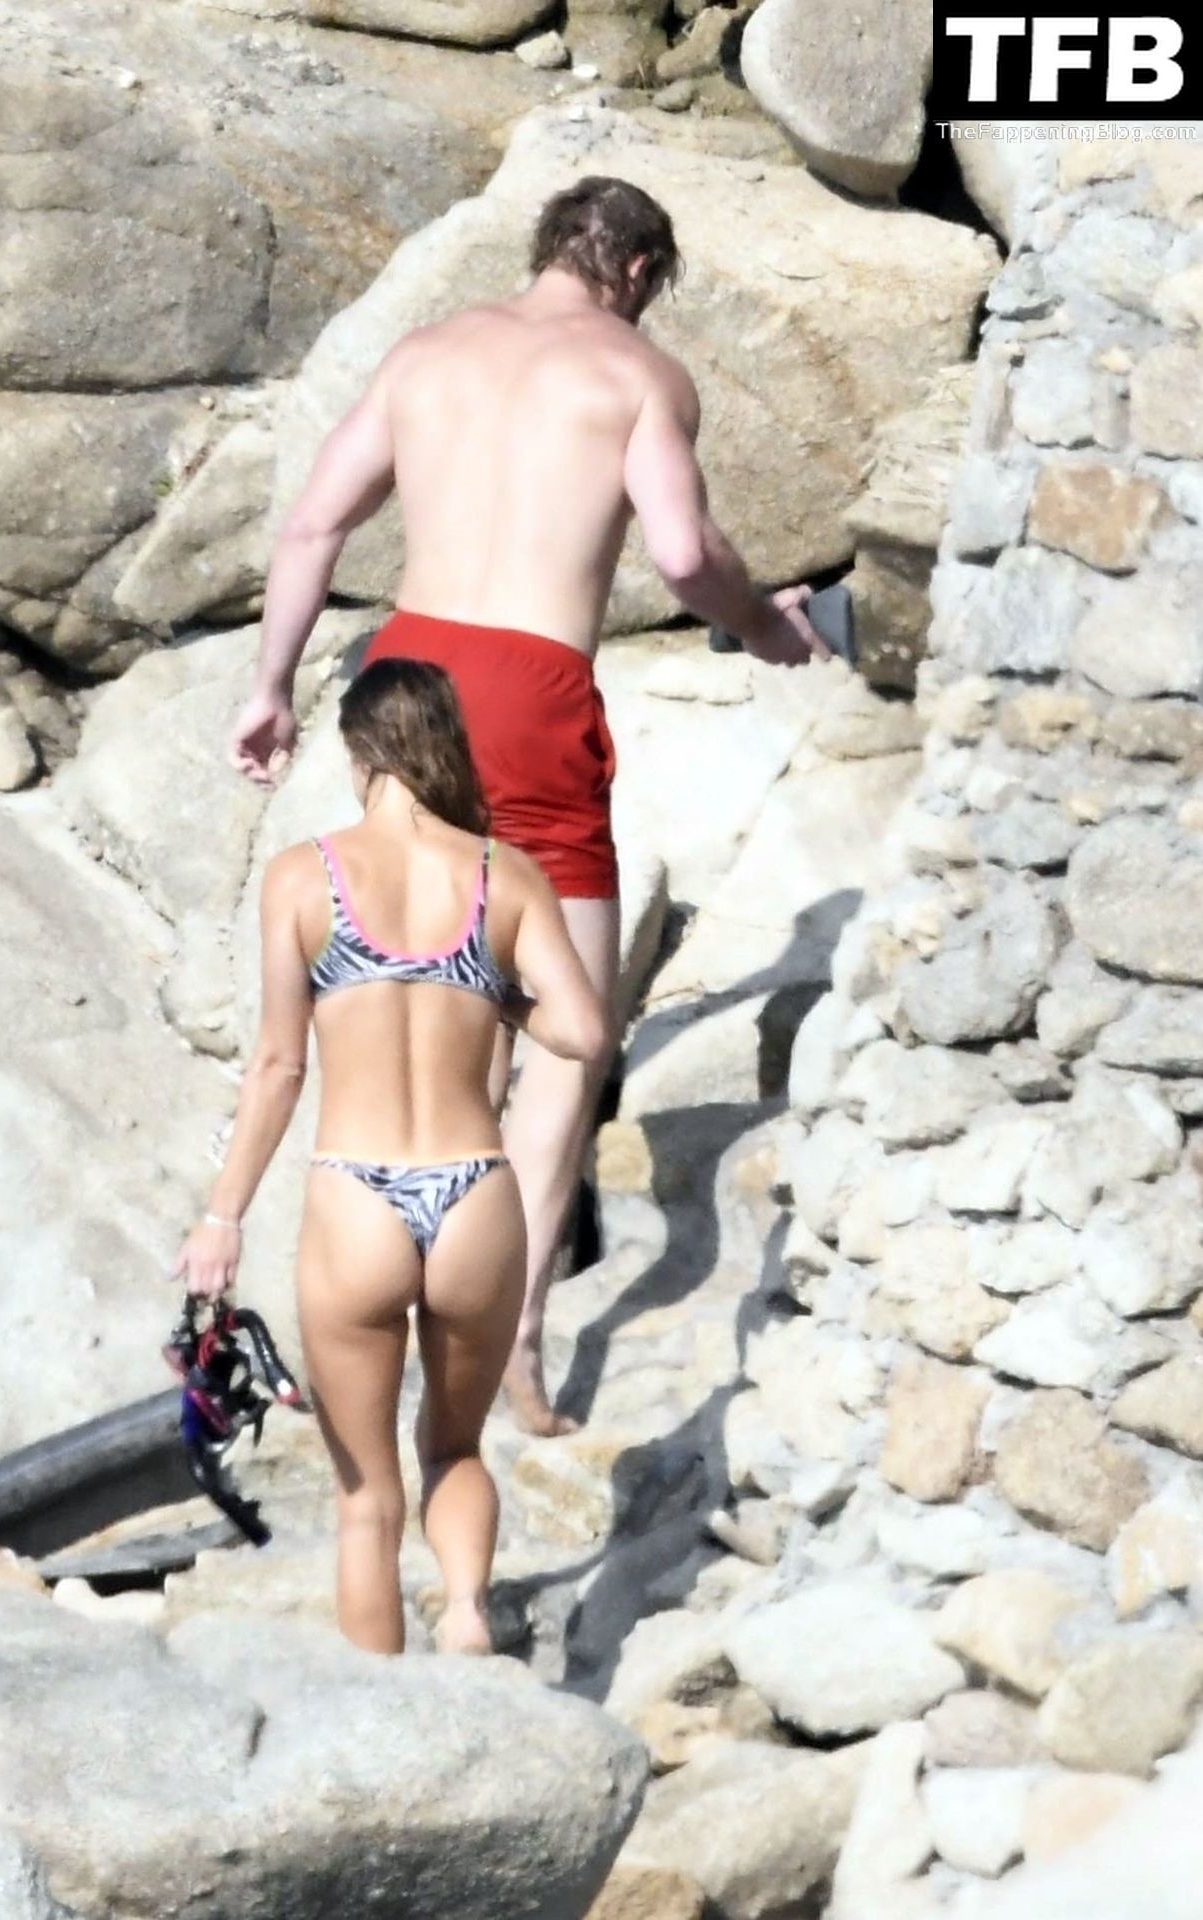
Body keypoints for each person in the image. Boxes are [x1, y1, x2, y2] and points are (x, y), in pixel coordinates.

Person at [229, 174, 824, 1435]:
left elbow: (313, 526)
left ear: (545, 249)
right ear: (641, 273)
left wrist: (270, 689)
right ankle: (516, 1337)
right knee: (568, 1038)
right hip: (531, 692)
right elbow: (682, 553)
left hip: (406, 679)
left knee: (430, 997)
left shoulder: (426, 353)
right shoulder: (637, 375)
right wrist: (768, 626)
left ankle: (373, 1299)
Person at [176, 658, 607, 1655]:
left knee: (366, 1498)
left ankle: (385, 1714)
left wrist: (222, 1216)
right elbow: (584, 1032)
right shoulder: (503, 874)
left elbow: (280, 1066)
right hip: (472, 1194)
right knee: (454, 1446)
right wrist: (498, 997)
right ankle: (466, 1613)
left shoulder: (305, 876)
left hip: (357, 1199)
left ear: (360, 752)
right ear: (445, 742)